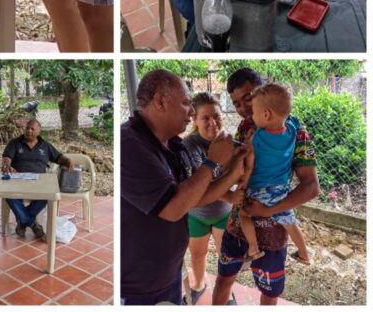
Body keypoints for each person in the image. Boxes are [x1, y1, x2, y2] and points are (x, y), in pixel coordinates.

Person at [121, 69, 245, 306]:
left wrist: (234, 170)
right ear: (160, 101)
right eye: (186, 103)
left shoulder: (172, 144)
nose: (191, 112)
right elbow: (173, 208)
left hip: (167, 273)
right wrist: (212, 162)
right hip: (138, 285)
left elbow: (194, 196)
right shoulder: (130, 145)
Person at [212, 68, 319, 305]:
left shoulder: (295, 131)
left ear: (262, 93)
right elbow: (236, 171)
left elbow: (311, 186)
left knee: (269, 293)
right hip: (238, 224)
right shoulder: (245, 128)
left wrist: (268, 210)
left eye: (248, 98)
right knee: (224, 280)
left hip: (272, 229)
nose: (243, 109)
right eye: (236, 104)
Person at [233, 84, 310, 265]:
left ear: (266, 114)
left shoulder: (257, 138)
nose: (252, 116)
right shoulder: (292, 130)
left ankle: (253, 248)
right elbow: (292, 120)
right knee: (289, 221)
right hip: (282, 190)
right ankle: (304, 254)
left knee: (244, 214)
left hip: (260, 189)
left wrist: (243, 185)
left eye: (254, 112)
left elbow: (249, 166)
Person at [183, 93, 234, 304]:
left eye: (217, 116)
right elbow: (202, 186)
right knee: (197, 255)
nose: (213, 123)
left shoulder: (229, 141)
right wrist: (232, 195)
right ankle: (199, 284)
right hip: (197, 214)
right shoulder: (189, 145)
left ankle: (227, 292)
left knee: (226, 256)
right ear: (194, 119)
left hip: (224, 212)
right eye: (205, 118)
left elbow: (238, 173)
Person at [1, 119, 73, 239]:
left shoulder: (45, 146)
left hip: (39, 182)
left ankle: (23, 221)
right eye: (27, 128)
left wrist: (67, 161)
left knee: (47, 195)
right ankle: (32, 223)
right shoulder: (14, 143)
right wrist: (7, 166)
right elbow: (6, 158)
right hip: (17, 180)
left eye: (32, 129)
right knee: (8, 195)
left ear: (39, 131)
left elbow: (58, 157)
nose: (29, 131)